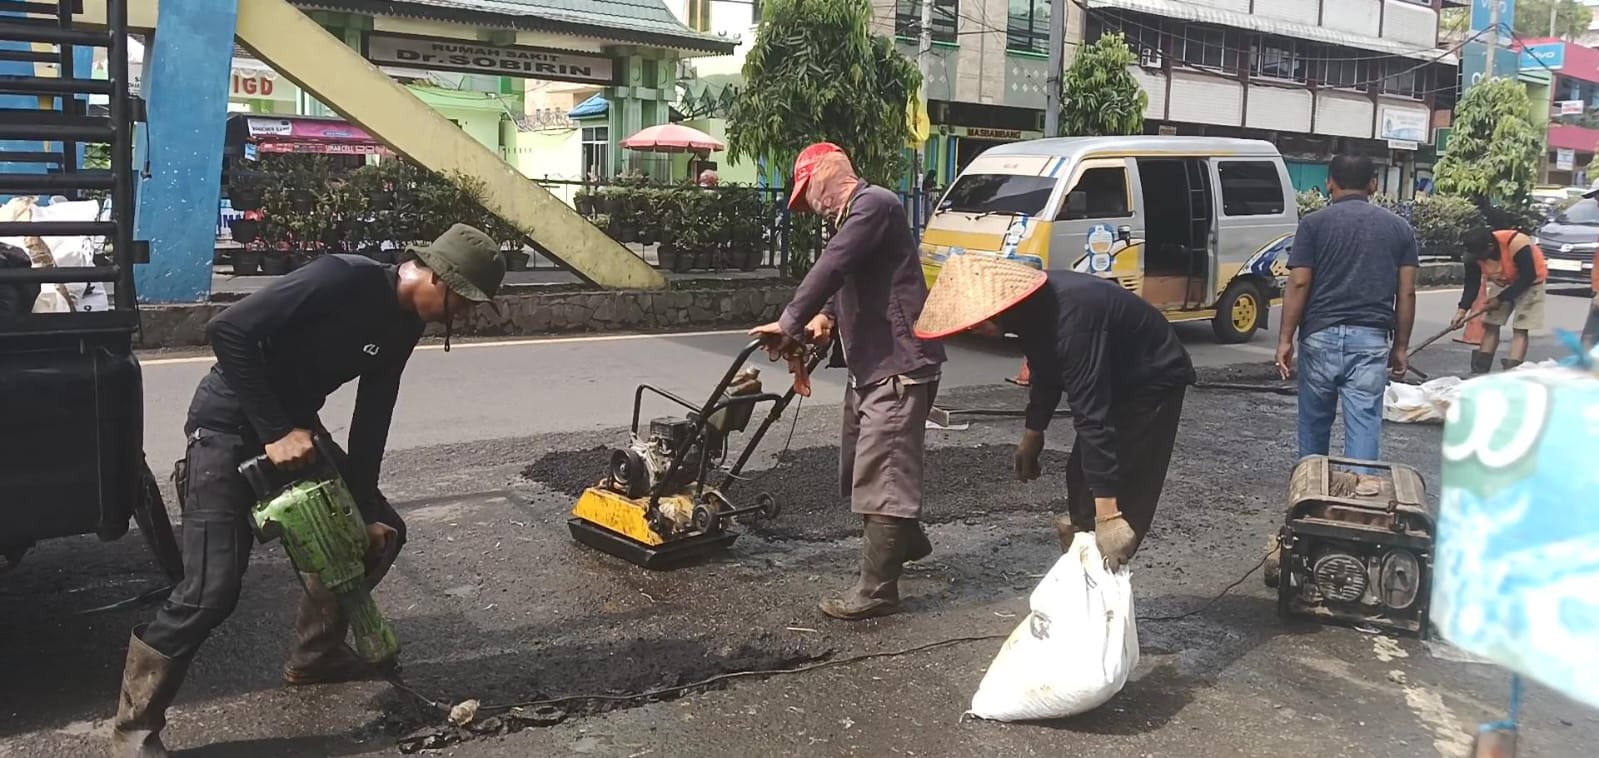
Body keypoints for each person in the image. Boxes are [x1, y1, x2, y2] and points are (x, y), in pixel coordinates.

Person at [111, 224, 507, 758]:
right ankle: (133, 728)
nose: (464, 312)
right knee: (211, 591)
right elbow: (229, 331)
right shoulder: (341, 279)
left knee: (383, 535)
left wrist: (363, 507)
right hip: (226, 429)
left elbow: (372, 417)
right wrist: (275, 431)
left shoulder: (405, 325)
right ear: (438, 274)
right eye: (464, 299)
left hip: (296, 432)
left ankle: (314, 656)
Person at [750, 142, 946, 621]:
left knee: (884, 471)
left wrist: (791, 319)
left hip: (899, 364)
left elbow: (834, 263)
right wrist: (824, 318)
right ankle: (907, 539)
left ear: (825, 176)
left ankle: (878, 590)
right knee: (860, 464)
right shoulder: (854, 221)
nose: (809, 206)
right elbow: (847, 279)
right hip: (871, 367)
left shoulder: (875, 204)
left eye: (807, 194)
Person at [913, 253, 1194, 569]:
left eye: (976, 323)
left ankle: (1108, 565)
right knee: (1080, 473)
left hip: (1151, 377)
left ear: (997, 307)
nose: (974, 330)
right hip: (1115, 371)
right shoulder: (1031, 311)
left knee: (1124, 477)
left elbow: (1092, 417)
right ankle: (1084, 554)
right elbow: (1046, 370)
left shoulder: (1072, 321)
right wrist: (1033, 433)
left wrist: (1109, 514)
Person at [1276, 154, 1418, 464]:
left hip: (1319, 337)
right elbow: (1406, 290)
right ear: (1373, 184)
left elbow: (1299, 283)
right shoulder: (1399, 228)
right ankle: (1360, 497)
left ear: (1329, 183)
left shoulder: (1313, 225)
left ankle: (1311, 493)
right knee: (1365, 422)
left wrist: (1285, 339)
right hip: (1371, 339)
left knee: (1314, 423)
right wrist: (1402, 346)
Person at [1452, 226, 1548, 373]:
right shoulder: (1473, 254)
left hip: (1531, 282)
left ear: (1490, 247)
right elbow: (1472, 284)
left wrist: (1501, 299)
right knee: (1491, 323)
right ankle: (1480, 369)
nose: (1478, 258)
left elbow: (1527, 276)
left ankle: (1512, 370)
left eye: (1479, 255)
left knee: (1520, 328)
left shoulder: (1516, 243)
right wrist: (1462, 310)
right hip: (1504, 280)